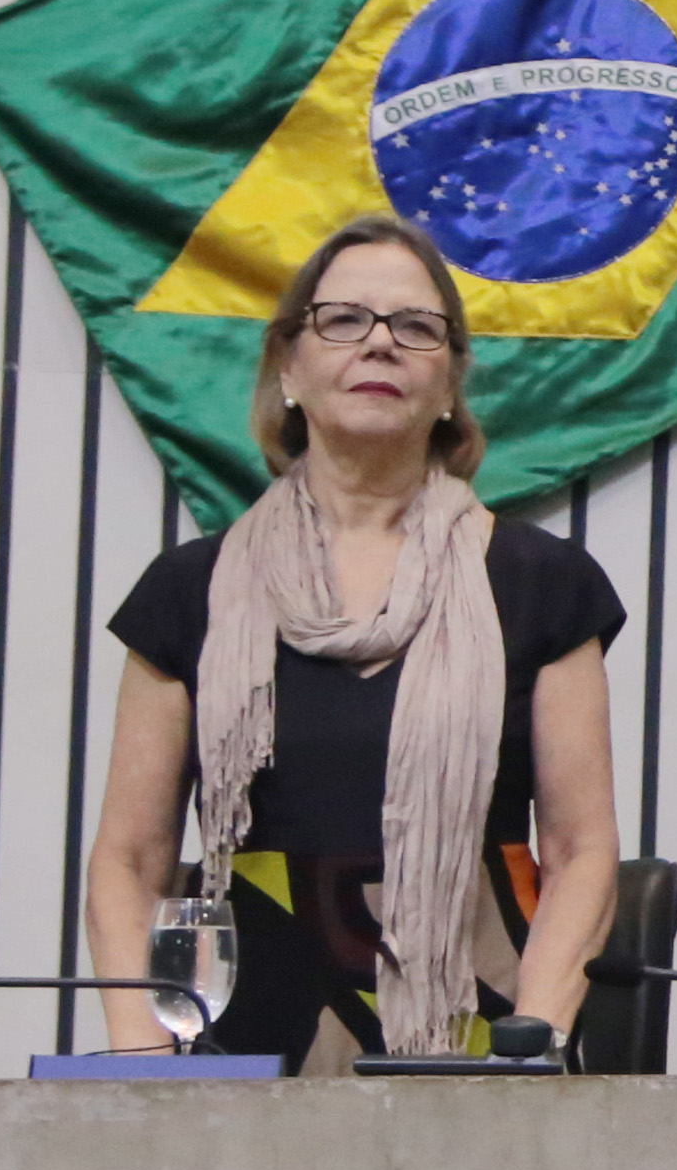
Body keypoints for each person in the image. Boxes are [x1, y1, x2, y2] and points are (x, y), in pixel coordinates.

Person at [83, 216, 623, 1066]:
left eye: (415, 327)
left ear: (450, 386)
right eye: (343, 320)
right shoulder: (188, 592)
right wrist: (140, 1055)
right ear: (288, 369)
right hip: (242, 1047)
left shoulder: (544, 585)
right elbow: (130, 858)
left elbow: (581, 851)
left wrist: (533, 1042)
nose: (380, 344)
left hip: (484, 1041)